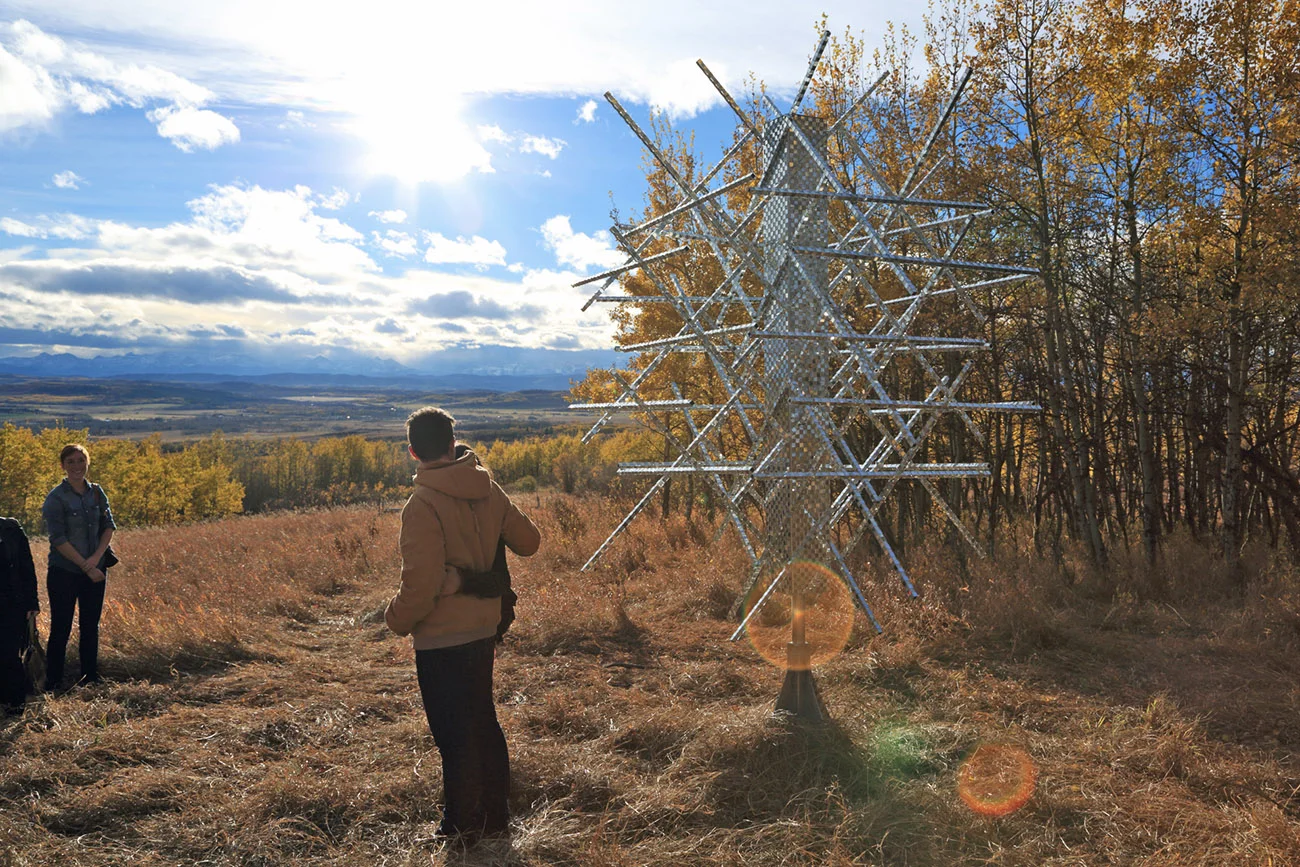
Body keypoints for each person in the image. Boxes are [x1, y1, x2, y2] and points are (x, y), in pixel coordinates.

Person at [385, 407, 540, 843]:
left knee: (453, 734)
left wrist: (395, 619)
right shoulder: (487, 487)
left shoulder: (422, 504)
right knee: (482, 721)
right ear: (454, 443)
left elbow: (421, 586)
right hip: (484, 627)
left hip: (440, 638)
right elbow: (530, 542)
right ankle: (495, 817)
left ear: (413, 451)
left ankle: (459, 825)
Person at [41, 443, 116, 690]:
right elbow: (58, 540)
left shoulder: (96, 492)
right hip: (65, 572)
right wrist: (87, 566)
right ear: (63, 466)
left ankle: (89, 679)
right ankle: (53, 683)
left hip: (95, 570)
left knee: (90, 626)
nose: (76, 466)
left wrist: (95, 561)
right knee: (61, 627)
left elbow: (108, 527)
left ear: (87, 463)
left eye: (80, 460)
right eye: (70, 462)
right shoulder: (55, 498)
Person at [0, 516, 40, 714]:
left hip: (12, 604)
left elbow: (27, 567)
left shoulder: (11, 528)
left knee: (10, 654)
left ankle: (15, 704)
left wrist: (32, 602)